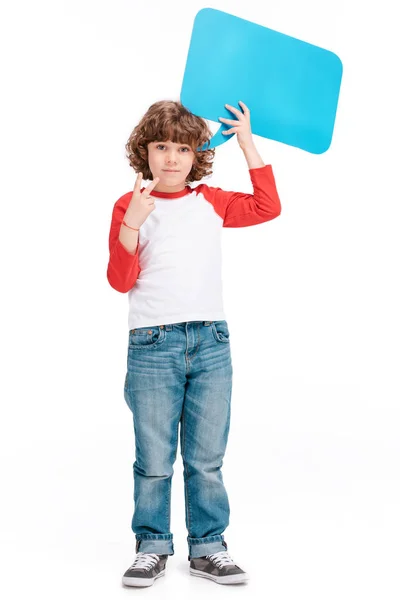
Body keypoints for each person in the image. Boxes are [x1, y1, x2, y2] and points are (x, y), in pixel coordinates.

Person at [106, 99, 281, 587]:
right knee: (155, 458)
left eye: (182, 148)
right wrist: (132, 223)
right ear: (145, 151)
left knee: (205, 457)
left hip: (210, 341)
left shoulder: (211, 201)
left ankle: (208, 547)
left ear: (197, 154)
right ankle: (152, 546)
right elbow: (121, 281)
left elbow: (268, 207)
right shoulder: (130, 205)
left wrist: (246, 142)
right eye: (161, 146)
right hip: (152, 343)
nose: (171, 158)